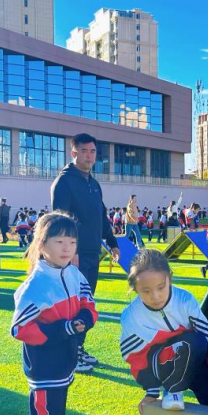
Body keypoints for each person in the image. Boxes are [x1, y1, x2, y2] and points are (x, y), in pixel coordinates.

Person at [11, 212, 96, 415]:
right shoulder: (35, 285)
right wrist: (64, 329)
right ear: (42, 244)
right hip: (44, 373)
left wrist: (84, 320)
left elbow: (89, 305)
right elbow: (20, 329)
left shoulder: (74, 274)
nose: (66, 248)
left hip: (64, 367)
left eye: (71, 242)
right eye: (59, 241)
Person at [121, 249, 208, 415]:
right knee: (193, 341)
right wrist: (151, 391)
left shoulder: (185, 300)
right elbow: (135, 357)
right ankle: (173, 390)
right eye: (146, 291)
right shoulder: (132, 316)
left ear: (169, 279)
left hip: (195, 358)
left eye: (161, 287)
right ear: (135, 289)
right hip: (164, 365)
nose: (155, 296)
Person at [50, 133, 118, 373]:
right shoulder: (64, 182)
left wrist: (112, 242)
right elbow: (61, 220)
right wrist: (72, 252)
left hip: (92, 254)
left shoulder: (93, 183)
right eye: (84, 151)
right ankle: (69, 354)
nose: (89, 156)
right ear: (74, 153)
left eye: (93, 151)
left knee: (86, 304)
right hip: (74, 257)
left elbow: (101, 216)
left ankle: (78, 348)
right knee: (72, 305)